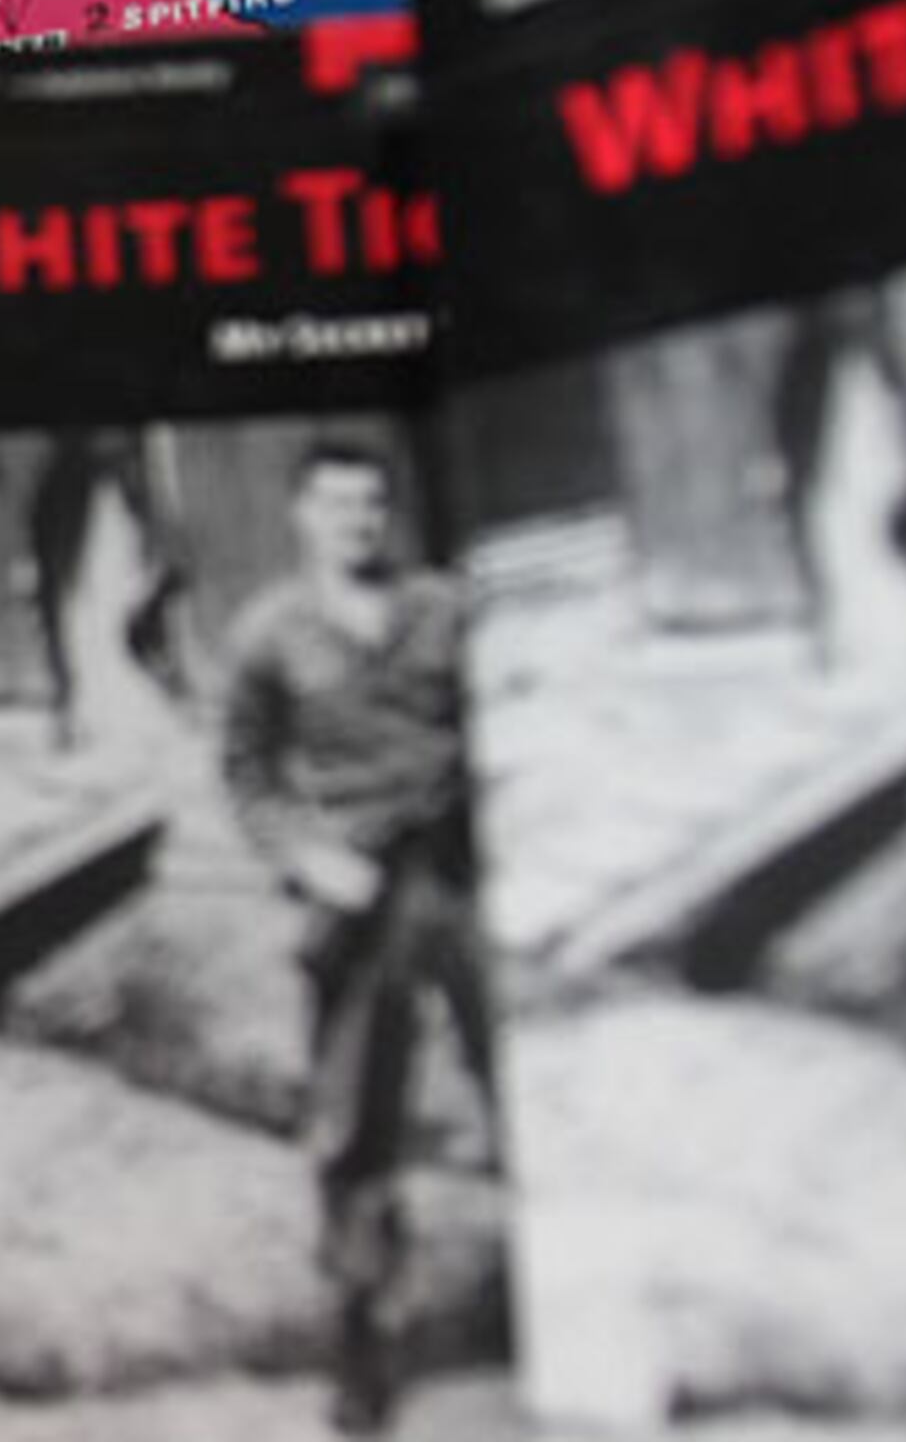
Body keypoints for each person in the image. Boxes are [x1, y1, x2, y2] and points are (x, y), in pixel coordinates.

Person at [216, 440, 496, 1438]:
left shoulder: (446, 610)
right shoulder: (270, 633)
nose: (358, 523)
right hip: (359, 889)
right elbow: (247, 775)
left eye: (373, 506)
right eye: (337, 507)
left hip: (459, 876)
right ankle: (366, 1348)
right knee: (355, 1126)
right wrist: (305, 859)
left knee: (518, 1082)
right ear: (302, 517)